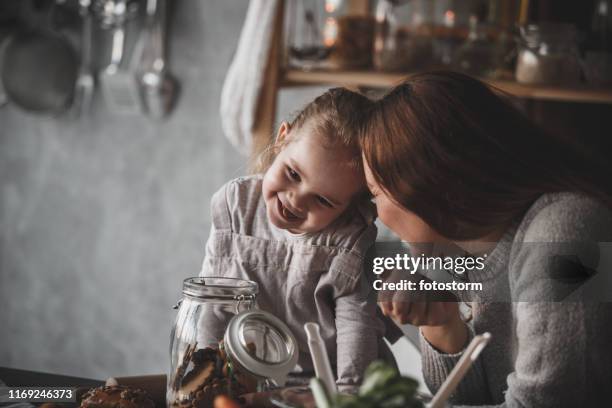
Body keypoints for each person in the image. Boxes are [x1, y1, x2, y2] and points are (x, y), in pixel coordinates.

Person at [359, 71, 612, 406]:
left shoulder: (565, 236)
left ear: (425, 181)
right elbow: (475, 398)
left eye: (374, 193)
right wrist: (444, 325)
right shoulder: (467, 251)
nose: (374, 212)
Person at [200, 88, 398, 390]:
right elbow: (213, 302)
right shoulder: (235, 206)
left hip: (330, 384)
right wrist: (208, 377)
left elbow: (355, 327)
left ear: (349, 207)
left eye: (323, 200)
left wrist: (348, 397)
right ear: (282, 138)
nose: (296, 200)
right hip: (253, 380)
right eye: (293, 173)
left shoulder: (350, 239)